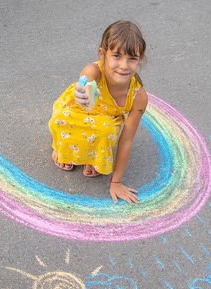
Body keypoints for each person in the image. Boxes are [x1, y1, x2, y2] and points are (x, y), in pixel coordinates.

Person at [48, 20, 148, 205]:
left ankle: (91, 155)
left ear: (139, 59)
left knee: (106, 129)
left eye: (132, 58)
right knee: (60, 119)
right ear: (102, 54)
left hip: (104, 119)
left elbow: (126, 140)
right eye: (116, 56)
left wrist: (116, 182)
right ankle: (62, 148)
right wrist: (84, 87)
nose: (124, 65)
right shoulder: (95, 70)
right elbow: (87, 76)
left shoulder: (138, 96)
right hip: (77, 109)